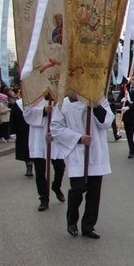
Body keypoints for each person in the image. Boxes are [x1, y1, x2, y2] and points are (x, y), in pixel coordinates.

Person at [51, 94, 114, 239]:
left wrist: (95, 105)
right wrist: (78, 138)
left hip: (96, 151)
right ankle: (72, 221)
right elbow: (56, 127)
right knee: (78, 188)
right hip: (77, 152)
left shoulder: (99, 100)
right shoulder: (63, 103)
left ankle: (88, 226)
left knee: (94, 192)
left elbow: (106, 123)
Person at [24, 98, 66, 211]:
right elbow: (27, 113)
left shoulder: (58, 97)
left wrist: (56, 133)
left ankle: (56, 186)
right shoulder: (34, 95)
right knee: (40, 171)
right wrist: (43, 110)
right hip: (38, 137)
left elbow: (65, 116)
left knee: (60, 167)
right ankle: (43, 198)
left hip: (54, 136)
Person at [10, 93, 33, 177]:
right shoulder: (18, 104)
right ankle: (29, 167)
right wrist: (12, 132)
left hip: (34, 129)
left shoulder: (35, 103)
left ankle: (38, 168)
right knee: (25, 150)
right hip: (22, 131)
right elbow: (13, 118)